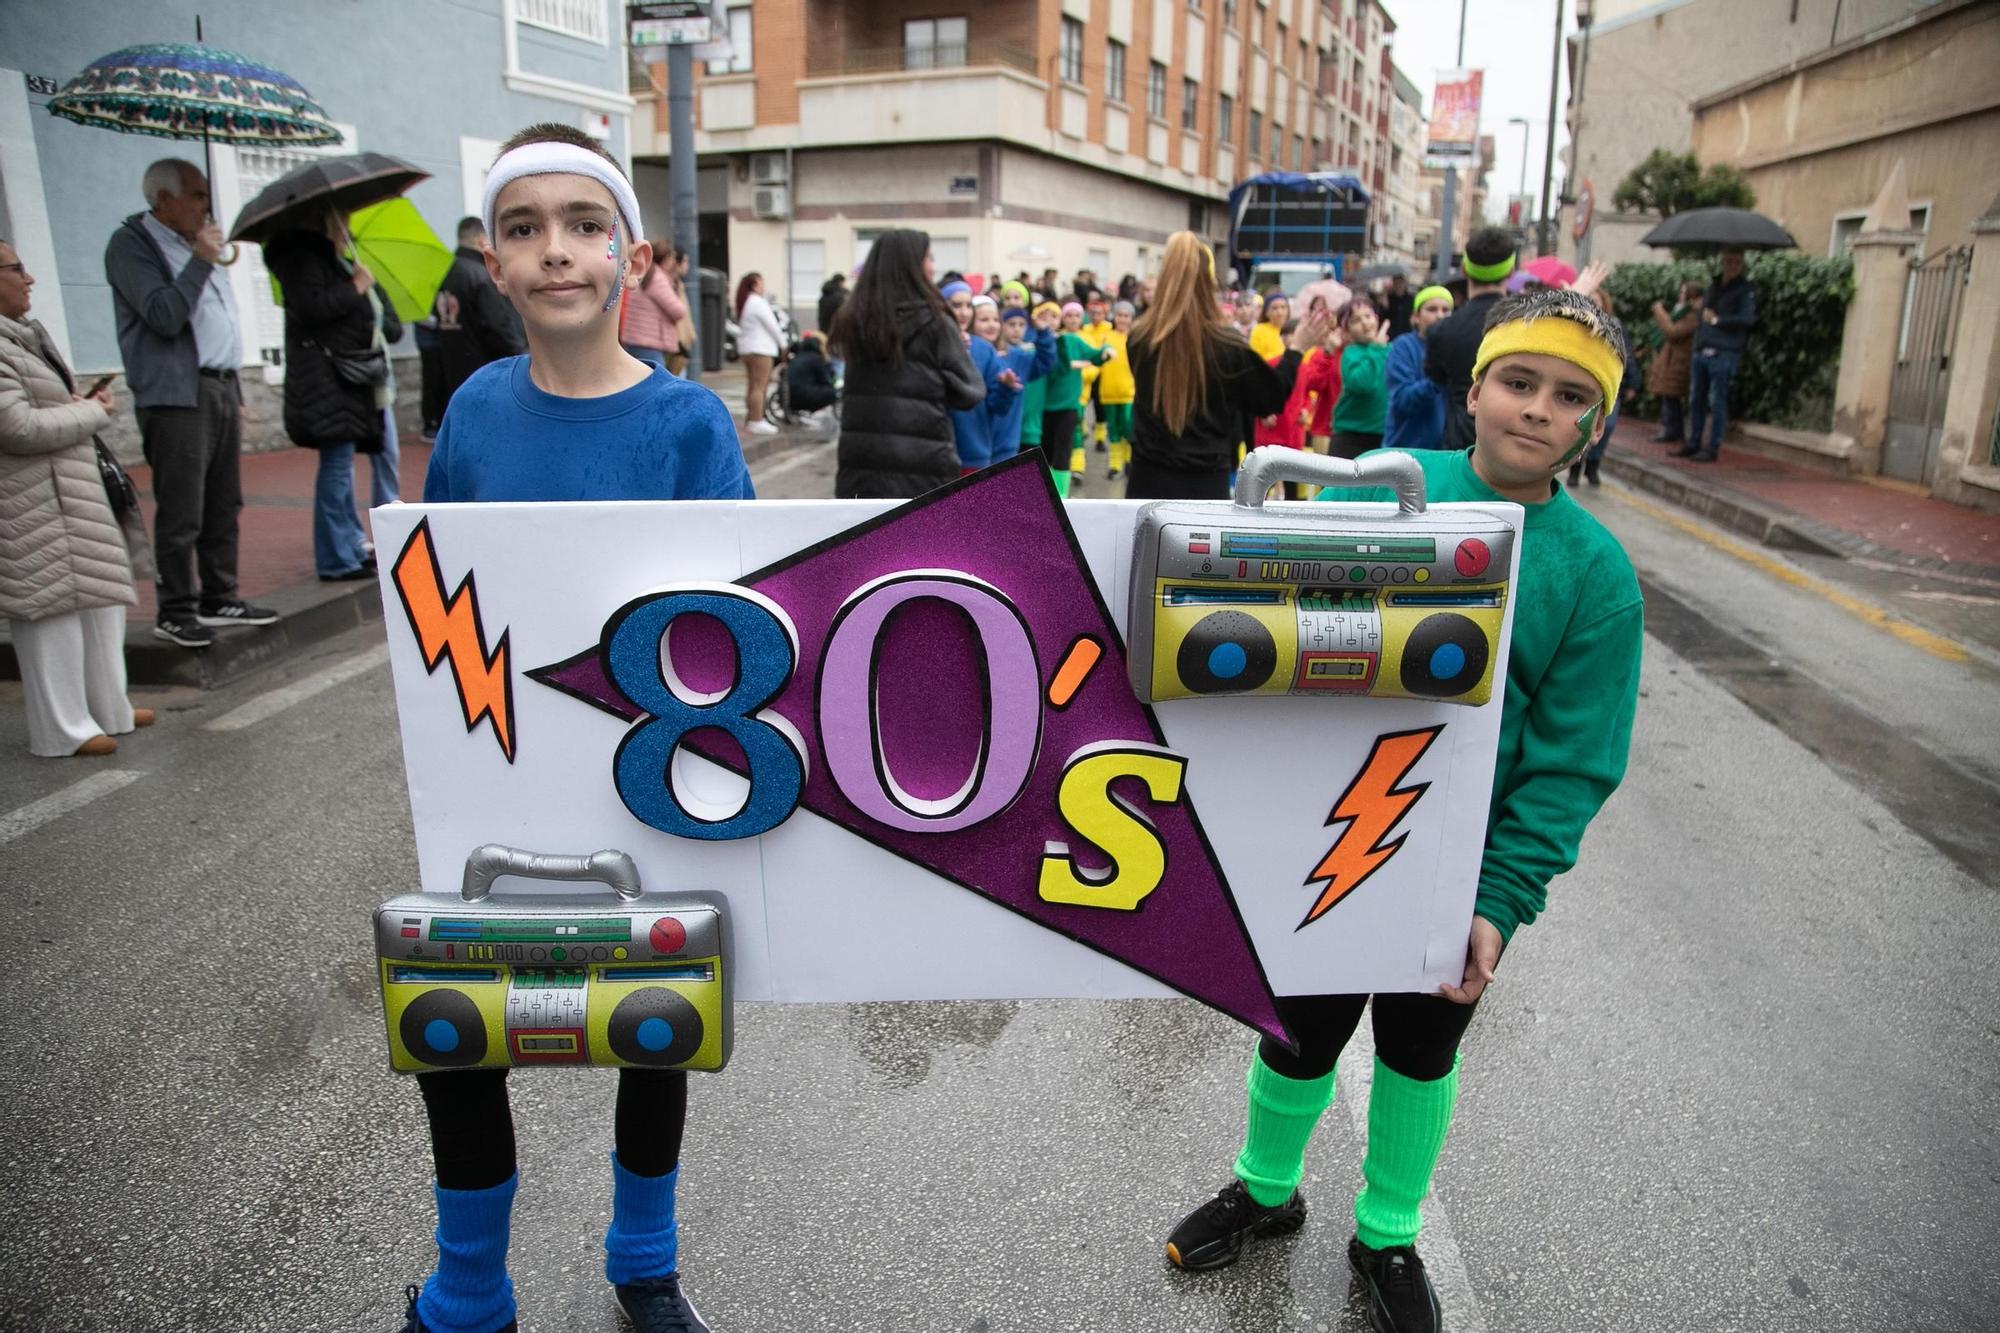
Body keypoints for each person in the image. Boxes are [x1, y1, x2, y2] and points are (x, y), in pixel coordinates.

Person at [1164, 287, 1641, 1333]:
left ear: (1590, 426)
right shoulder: (1385, 491)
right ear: (1471, 390)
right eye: (1517, 382)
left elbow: (1570, 764)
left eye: (1567, 398)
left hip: (1451, 872)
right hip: (1322, 842)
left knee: (1419, 1052)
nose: (1534, 410)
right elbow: (1254, 626)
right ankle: (1266, 1188)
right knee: (1297, 1035)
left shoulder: (1596, 578)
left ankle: (1385, 1230)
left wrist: (1500, 899)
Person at [411, 123, 750, 1333]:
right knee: (459, 1025)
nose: (555, 251)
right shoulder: (472, 413)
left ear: (627, 252)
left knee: (654, 1019)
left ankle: (643, 1262)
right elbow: (437, 592)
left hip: (647, 778)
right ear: (493, 264)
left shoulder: (690, 426)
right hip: (492, 770)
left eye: (582, 224)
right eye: (522, 227)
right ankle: (468, 1284)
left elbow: (739, 625)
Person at [104, 157, 276, 649]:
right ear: (164, 199)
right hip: (176, 393)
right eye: (198, 195)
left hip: (220, 385)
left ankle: (219, 594)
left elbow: (218, 321)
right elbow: (163, 314)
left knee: (224, 499)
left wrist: (236, 390)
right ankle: (176, 608)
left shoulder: (192, 245)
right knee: (183, 507)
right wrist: (201, 260)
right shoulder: (132, 246)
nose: (207, 205)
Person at [0, 239, 155, 758]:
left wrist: (77, 405)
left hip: (70, 494)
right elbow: (16, 426)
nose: (30, 278)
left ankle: (107, 707)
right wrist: (90, 413)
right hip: (30, 505)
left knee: (99, 603)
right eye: (17, 268)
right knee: (50, 616)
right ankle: (63, 729)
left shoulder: (22, 336)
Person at [1126, 231, 1330, 500]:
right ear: (1208, 283)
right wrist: (1296, 350)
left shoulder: (1140, 338)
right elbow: (1270, 398)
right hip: (1204, 486)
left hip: (1146, 483)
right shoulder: (1226, 345)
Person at [262, 204, 397, 583]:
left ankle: (349, 546)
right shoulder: (303, 259)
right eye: (341, 220)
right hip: (328, 381)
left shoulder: (324, 259)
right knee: (336, 471)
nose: (346, 228)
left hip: (345, 380)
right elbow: (313, 309)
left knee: (342, 469)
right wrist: (354, 286)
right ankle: (337, 556)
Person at [831, 227, 984, 499]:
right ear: (912, 265)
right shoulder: (935, 323)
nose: (934, 268)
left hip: (860, 474)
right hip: (923, 473)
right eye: (930, 258)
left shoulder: (852, 320)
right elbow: (969, 393)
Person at [1424, 226, 1518, 452]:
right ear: (1511, 271)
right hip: (1514, 445)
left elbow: (1435, 380)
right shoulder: (1524, 325)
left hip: (1459, 447)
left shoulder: (1441, 330)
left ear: (1464, 269)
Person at [435, 216, 526, 408]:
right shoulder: (481, 276)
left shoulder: (445, 272)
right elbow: (499, 325)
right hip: (486, 369)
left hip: (455, 369)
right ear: (480, 240)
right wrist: (521, 355)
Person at [1680, 249, 1755, 462]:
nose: (1732, 265)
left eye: (1736, 262)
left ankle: (1712, 446)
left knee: (1717, 401)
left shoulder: (1745, 290)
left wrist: (1718, 320)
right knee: (1696, 399)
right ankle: (1694, 441)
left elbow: (1747, 319)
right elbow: (1704, 313)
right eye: (1728, 261)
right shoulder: (1714, 286)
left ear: (1741, 265)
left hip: (1724, 352)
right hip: (1703, 349)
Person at [1042, 301, 1114, 497]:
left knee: (1063, 450)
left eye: (1054, 316)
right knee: (1043, 453)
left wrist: (1106, 349)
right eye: (1046, 316)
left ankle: (1062, 496)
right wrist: (1071, 364)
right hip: (1043, 407)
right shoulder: (1042, 343)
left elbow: (1095, 354)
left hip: (1068, 406)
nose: (1051, 320)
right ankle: (1045, 495)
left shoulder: (1075, 341)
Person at [1568, 289, 1637, 488]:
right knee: (1582, 428)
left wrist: (1632, 382)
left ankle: (1593, 464)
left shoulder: (1615, 326)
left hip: (1608, 386)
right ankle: (1576, 468)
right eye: (1591, 301)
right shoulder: (1577, 325)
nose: (1595, 305)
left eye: (1598, 301)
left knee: (1607, 427)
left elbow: (1626, 355)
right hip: (1583, 388)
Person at [1384, 285, 1454, 452]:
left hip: (1445, 455)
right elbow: (1402, 399)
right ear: (1416, 317)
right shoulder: (1404, 346)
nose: (1440, 315)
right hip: (1405, 453)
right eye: (1432, 309)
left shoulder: (1456, 349)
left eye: (1446, 310)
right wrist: (1436, 380)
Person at [949, 295, 1010, 474]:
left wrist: (1006, 388)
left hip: (975, 450)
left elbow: (998, 406)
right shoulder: (934, 344)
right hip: (939, 450)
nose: (963, 312)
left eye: (968, 306)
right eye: (957, 305)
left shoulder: (984, 350)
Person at [988, 305, 1057, 464]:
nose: (1017, 330)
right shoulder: (986, 354)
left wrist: (1043, 332)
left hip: (1009, 439)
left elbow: (1046, 360)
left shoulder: (1020, 357)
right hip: (984, 438)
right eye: (1011, 324)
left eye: (1021, 325)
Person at [1331, 297, 1390, 458]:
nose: (1365, 323)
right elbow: (1363, 384)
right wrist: (1377, 349)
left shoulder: (1393, 351)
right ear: (1346, 331)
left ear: (1377, 319)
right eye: (1356, 320)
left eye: (1368, 316)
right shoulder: (1351, 353)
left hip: (1385, 436)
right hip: (1351, 437)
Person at [1645, 281, 1702, 445]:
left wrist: (1659, 311)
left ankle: (1673, 431)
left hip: (1679, 362)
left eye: (1683, 292)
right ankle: (1671, 429)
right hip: (1671, 360)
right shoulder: (1683, 312)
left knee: (1672, 397)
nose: (1680, 295)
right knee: (1668, 397)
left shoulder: (1692, 315)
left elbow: (1672, 331)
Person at [620, 239, 687, 372]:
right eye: (671, 257)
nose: (673, 262)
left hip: (635, 339)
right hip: (648, 343)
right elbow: (678, 310)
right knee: (655, 384)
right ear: (666, 258)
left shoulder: (646, 274)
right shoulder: (657, 278)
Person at [733, 272, 783, 437]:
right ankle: (757, 420)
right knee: (759, 387)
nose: (764, 287)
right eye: (761, 283)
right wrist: (783, 344)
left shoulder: (745, 302)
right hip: (761, 349)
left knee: (752, 386)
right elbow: (772, 326)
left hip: (747, 349)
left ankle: (751, 418)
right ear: (754, 285)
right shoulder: (758, 303)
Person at [1097, 301, 1138, 480]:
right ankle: (1115, 465)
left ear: (1131, 319)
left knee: (1128, 429)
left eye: (1126, 316)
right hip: (1108, 393)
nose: (1122, 319)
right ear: (1114, 316)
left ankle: (1129, 461)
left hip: (1129, 393)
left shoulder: (1135, 337)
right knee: (1113, 430)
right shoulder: (1106, 337)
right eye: (1119, 315)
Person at [783, 331, 839, 416]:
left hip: (790, 396)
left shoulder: (799, 355)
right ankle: (810, 411)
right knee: (832, 393)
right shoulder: (815, 358)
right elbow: (824, 380)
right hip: (802, 397)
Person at [1249, 291, 1290, 363]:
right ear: (1266, 312)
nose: (1280, 312)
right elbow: (1254, 359)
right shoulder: (1259, 330)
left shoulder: (1293, 329)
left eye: (1283, 307)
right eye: (1274, 308)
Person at [1381, 273, 1413, 340]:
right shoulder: (1389, 298)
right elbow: (1384, 318)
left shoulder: (1411, 299)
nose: (1399, 286)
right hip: (1392, 334)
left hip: (1407, 332)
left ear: (1405, 284)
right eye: (1396, 284)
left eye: (1400, 283)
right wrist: (1384, 307)